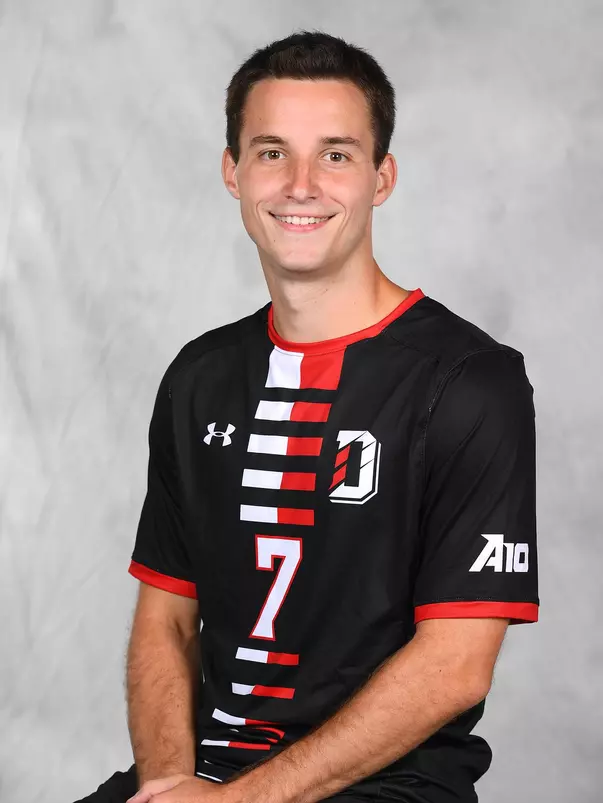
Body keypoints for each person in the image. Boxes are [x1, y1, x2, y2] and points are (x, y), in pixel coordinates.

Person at [74, 29, 539, 803]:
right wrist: (167, 782)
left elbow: (455, 664)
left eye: (334, 153)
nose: (299, 183)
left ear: (380, 176)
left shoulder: (469, 381)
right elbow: (165, 620)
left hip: (385, 786)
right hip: (204, 780)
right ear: (232, 172)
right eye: (269, 151)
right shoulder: (198, 377)